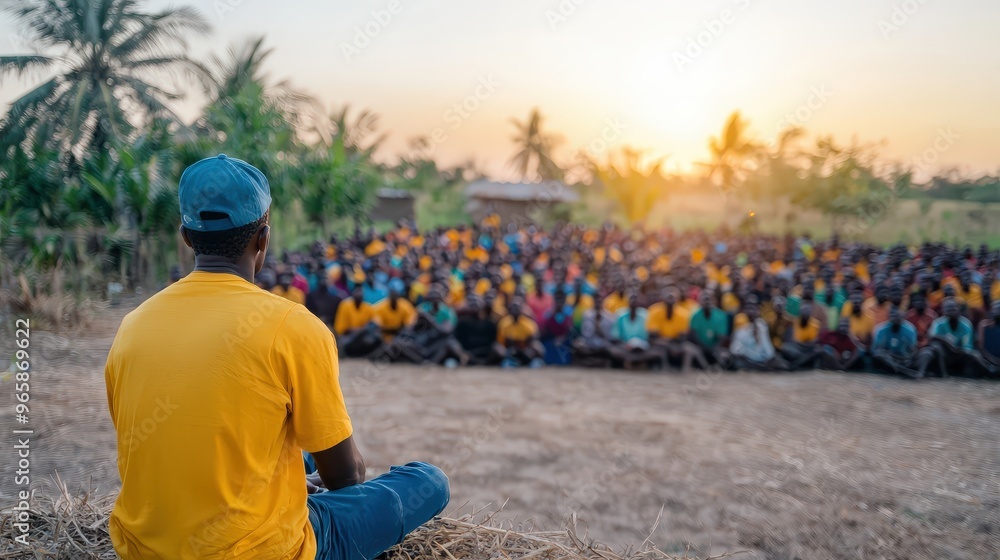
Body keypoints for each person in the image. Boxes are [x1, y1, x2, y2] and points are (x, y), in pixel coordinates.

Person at [104, 154, 448, 560]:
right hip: (262, 550)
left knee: (293, 455)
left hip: (143, 547)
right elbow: (346, 476)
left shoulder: (132, 326)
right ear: (263, 238)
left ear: (186, 236)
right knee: (429, 480)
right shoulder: (293, 326)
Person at [646, 287, 709, 371]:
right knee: (660, 347)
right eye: (667, 297)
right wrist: (669, 344)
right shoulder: (654, 311)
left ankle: (687, 370)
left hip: (676, 343)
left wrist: (671, 344)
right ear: (662, 299)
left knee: (689, 349)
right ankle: (664, 368)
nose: (670, 300)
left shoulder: (683, 314)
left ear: (677, 300)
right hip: (659, 343)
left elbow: (682, 337)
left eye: (672, 298)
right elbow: (653, 336)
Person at [915, 298, 976, 378]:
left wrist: (955, 350)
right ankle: (942, 373)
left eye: (953, 309)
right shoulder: (938, 323)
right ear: (943, 311)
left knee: (973, 355)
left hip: (960, 354)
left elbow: (967, 347)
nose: (950, 312)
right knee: (936, 347)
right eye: (947, 309)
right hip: (944, 355)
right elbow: (932, 338)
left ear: (958, 310)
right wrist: (950, 346)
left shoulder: (966, 325)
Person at [609, 292, 661, 370]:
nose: (633, 301)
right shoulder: (620, 315)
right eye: (631, 299)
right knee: (614, 350)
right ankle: (635, 362)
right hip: (624, 346)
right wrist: (626, 344)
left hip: (641, 348)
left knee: (654, 352)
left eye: (636, 299)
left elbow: (648, 335)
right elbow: (615, 336)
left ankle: (633, 361)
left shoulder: (645, 314)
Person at [730, 301, 786, 371]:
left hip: (762, 358)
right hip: (747, 359)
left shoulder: (761, 324)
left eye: (754, 309)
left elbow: (766, 344)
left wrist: (770, 357)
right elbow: (735, 349)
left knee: (783, 365)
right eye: (748, 309)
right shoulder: (740, 321)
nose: (751, 311)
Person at [334, 285, 383, 358]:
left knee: (375, 337)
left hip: (362, 337)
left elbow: (378, 323)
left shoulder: (367, 307)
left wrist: (369, 326)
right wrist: (359, 330)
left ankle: (368, 354)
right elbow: (341, 329)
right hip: (348, 337)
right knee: (343, 343)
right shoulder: (345, 305)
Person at [870, 306, 919, 378]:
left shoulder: (910, 329)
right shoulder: (881, 329)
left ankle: (898, 369)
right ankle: (903, 371)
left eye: (897, 316)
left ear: (903, 316)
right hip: (887, 358)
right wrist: (888, 354)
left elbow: (913, 350)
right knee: (879, 354)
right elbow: (874, 349)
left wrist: (903, 358)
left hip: (903, 358)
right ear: (888, 317)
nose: (894, 318)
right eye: (892, 316)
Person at [454, 295, 503, 365]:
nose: (474, 307)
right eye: (472, 305)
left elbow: (493, 341)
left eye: (476, 304)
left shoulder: (490, 323)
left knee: (500, 350)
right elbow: (459, 341)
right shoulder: (462, 323)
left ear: (482, 306)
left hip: (486, 352)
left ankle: (483, 362)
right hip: (469, 353)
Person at [496, 300, 545, 368]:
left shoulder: (529, 324)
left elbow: (534, 340)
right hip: (511, 350)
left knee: (538, 347)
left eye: (517, 308)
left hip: (526, 350)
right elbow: (501, 342)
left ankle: (537, 362)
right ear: (509, 309)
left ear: (521, 309)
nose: (515, 310)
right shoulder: (504, 323)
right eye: (513, 307)